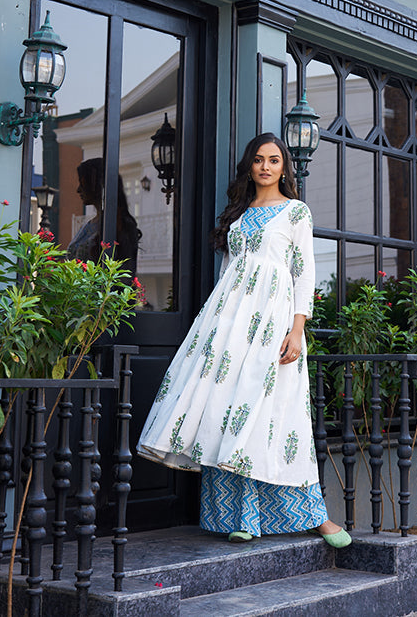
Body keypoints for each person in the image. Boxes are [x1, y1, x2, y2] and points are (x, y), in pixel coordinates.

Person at [137, 132, 351, 547]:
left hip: (275, 325)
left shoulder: (295, 213)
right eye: (258, 159)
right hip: (229, 325)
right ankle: (241, 516)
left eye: (274, 160)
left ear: (284, 167)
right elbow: (228, 276)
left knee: (274, 414)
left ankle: (316, 516)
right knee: (226, 409)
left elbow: (303, 273)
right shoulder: (237, 216)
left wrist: (297, 329)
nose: (266, 167)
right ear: (249, 166)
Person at [67, 157, 141, 278]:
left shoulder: (120, 225)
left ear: (95, 185)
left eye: (83, 183)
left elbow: (124, 276)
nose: (78, 190)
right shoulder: (89, 225)